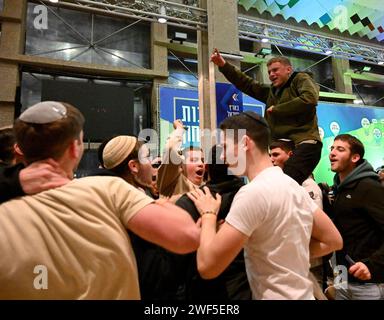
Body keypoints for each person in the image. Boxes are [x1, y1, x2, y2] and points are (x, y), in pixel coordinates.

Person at [0, 101, 200, 299]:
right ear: (74, 149)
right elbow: (186, 237)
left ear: (21, 149)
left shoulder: (5, 215)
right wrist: (166, 206)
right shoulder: (110, 190)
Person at [187, 111, 342, 300]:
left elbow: (208, 267)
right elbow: (333, 240)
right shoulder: (292, 186)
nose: (223, 155)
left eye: (226, 146)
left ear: (245, 143)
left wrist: (209, 215)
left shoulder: (252, 193)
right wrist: (284, 254)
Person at [211, 48, 322, 185]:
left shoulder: (300, 79)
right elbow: (246, 83)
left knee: (282, 185)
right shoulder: (271, 92)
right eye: (269, 72)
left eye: (275, 70)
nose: (271, 74)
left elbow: (310, 99)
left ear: (289, 70)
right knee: (271, 184)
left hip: (305, 144)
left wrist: (277, 109)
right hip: (283, 147)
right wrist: (223, 65)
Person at [176, 145, 251, 300]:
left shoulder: (188, 202)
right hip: (247, 290)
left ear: (207, 167)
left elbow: (175, 261)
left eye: (201, 160)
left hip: (201, 293)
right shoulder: (254, 198)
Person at [329, 134, 384, 300]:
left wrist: (372, 265)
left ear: (355, 157)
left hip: (367, 283)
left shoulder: (369, 187)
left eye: (340, 149)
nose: (332, 153)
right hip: (341, 276)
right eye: (332, 148)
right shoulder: (339, 189)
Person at [157, 119, 205, 202]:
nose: (201, 164)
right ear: (181, 165)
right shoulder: (172, 182)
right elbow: (171, 149)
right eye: (193, 160)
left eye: (202, 160)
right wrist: (179, 130)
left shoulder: (206, 189)